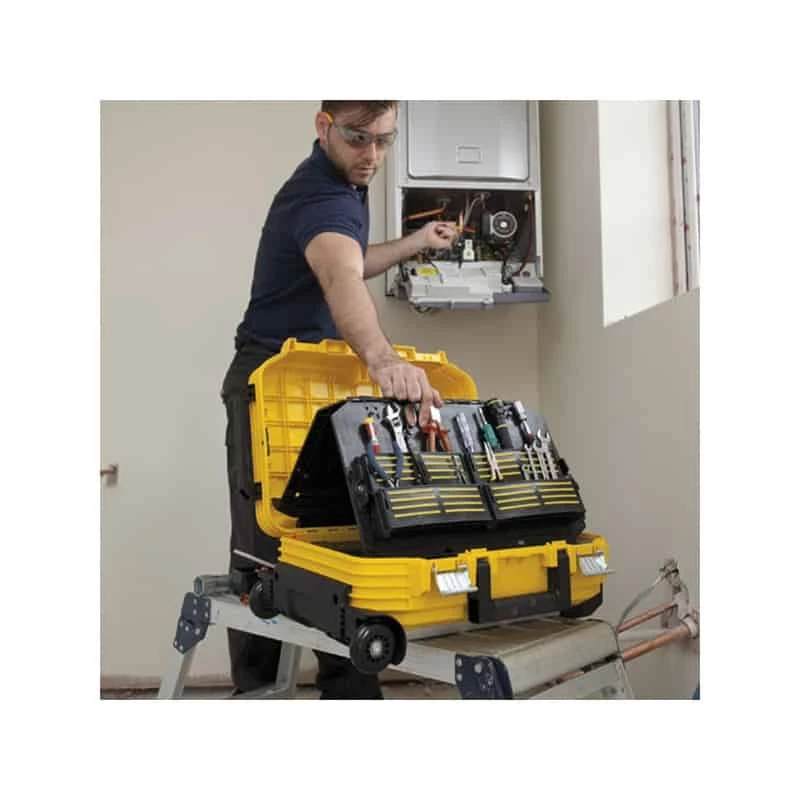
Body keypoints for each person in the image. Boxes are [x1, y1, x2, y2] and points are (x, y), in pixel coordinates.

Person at [221, 100, 458, 699]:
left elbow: (350, 257)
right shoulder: (317, 197)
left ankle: (350, 696)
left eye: (385, 140)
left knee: (348, 540)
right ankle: (257, 697)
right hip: (269, 383)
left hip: (320, 381)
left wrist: (414, 242)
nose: (373, 155)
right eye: (359, 139)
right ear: (324, 127)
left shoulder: (346, 181)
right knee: (266, 553)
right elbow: (339, 278)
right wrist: (383, 359)